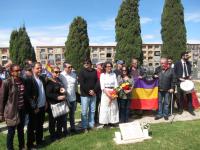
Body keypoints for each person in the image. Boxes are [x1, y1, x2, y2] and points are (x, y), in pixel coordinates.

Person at [0, 64, 26, 150]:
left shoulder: (23, 80)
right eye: (17, 71)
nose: (19, 72)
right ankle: (10, 148)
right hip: (11, 111)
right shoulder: (7, 82)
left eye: (20, 70)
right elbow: (2, 99)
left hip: (22, 109)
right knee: (11, 132)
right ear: (11, 72)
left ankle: (22, 146)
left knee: (21, 130)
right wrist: (1, 113)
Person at [26, 62, 47, 149]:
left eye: (40, 68)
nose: (40, 69)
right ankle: (30, 144)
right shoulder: (29, 80)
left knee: (40, 125)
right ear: (33, 69)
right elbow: (28, 96)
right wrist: (34, 107)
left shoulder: (42, 78)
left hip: (42, 106)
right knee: (31, 127)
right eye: (38, 68)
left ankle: (39, 140)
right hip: (34, 108)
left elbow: (43, 91)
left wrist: (46, 102)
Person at [46, 66, 67, 140]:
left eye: (59, 72)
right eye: (56, 72)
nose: (58, 73)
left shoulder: (58, 80)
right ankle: (52, 136)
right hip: (53, 104)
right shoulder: (49, 81)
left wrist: (63, 91)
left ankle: (59, 134)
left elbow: (60, 89)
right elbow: (48, 93)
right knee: (52, 121)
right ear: (52, 72)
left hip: (60, 103)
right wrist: (57, 97)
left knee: (60, 120)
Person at [79, 58, 98, 132]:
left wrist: (94, 91)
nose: (86, 64)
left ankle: (91, 125)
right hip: (85, 95)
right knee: (84, 111)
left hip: (93, 94)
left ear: (90, 64)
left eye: (87, 63)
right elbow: (82, 83)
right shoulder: (81, 72)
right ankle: (84, 127)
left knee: (92, 110)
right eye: (84, 63)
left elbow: (97, 81)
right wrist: (89, 91)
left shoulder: (94, 71)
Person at [174, 52, 195, 116]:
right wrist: (179, 78)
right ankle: (180, 110)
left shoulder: (189, 63)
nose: (188, 57)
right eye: (186, 56)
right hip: (180, 82)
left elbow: (190, 71)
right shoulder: (177, 63)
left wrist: (190, 75)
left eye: (187, 56)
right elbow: (174, 73)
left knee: (189, 96)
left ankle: (190, 110)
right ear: (182, 56)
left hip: (187, 81)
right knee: (180, 97)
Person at [99, 61, 119, 127]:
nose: (109, 68)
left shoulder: (114, 74)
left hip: (113, 92)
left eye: (110, 66)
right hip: (105, 93)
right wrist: (108, 95)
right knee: (105, 107)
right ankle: (105, 123)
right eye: (108, 66)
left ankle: (113, 122)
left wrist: (114, 93)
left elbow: (116, 85)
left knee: (113, 108)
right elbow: (102, 86)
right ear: (105, 67)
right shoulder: (102, 75)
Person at [60, 62, 77, 133]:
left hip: (73, 98)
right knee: (64, 116)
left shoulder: (74, 75)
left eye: (71, 67)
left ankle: (73, 128)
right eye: (69, 67)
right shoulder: (61, 75)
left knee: (72, 115)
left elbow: (76, 86)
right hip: (65, 99)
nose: (71, 68)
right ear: (64, 68)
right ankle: (65, 130)